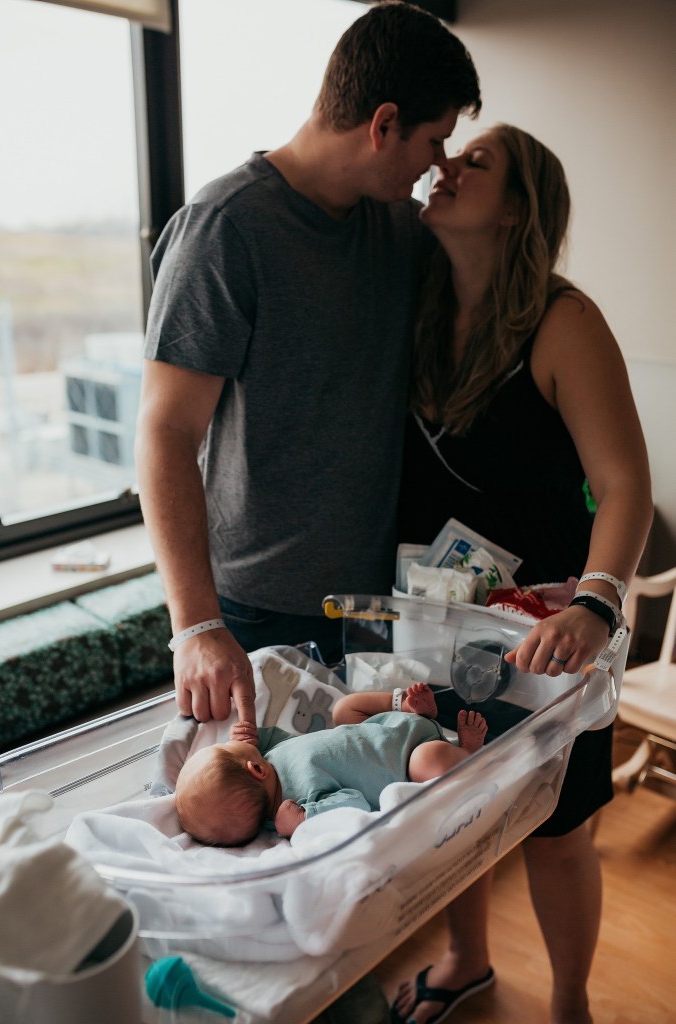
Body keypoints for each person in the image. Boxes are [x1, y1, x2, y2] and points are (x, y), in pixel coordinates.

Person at [134, 1, 481, 728]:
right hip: (254, 610)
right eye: (434, 139)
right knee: (256, 822)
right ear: (382, 124)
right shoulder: (227, 229)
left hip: (376, 604)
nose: (438, 163)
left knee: (369, 816)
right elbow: (165, 434)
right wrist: (196, 627)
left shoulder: (394, 226)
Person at [392, 125, 653, 1024]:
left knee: (556, 828)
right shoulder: (413, 309)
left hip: (542, 634)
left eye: (476, 163)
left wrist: (595, 603)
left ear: (515, 211)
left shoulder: (561, 320)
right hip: (433, 621)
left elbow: (624, 485)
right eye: (448, 152)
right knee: (452, 809)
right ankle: (466, 960)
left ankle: (572, 1006)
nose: (445, 168)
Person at [175, 682, 487, 846]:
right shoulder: (295, 804)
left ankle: (404, 704)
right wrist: (305, 818)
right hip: (410, 755)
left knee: (343, 708)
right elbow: (356, 804)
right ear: (255, 771)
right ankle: (466, 752)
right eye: (227, 747)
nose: (234, 741)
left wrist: (249, 738)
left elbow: (278, 739)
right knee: (430, 763)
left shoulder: (270, 755)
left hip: (381, 725)